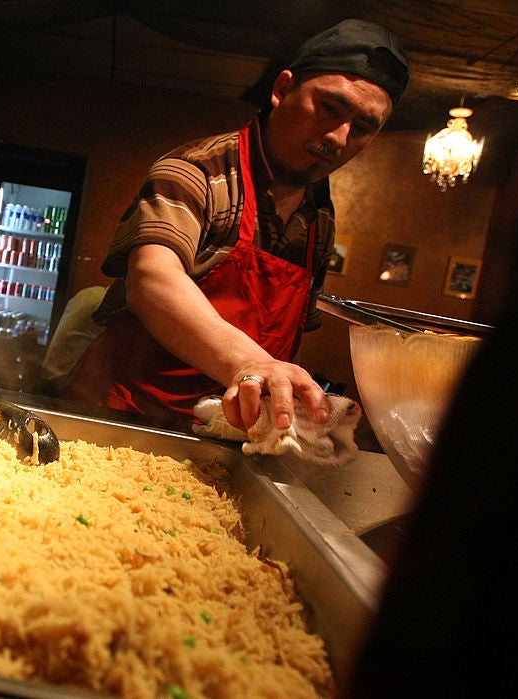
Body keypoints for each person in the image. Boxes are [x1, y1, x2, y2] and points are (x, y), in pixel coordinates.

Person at [63, 18, 409, 435]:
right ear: (282, 90)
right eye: (331, 107)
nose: (339, 136)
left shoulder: (320, 216)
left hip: (227, 432)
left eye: (363, 127)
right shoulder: (196, 172)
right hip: (124, 417)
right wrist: (248, 363)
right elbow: (152, 278)